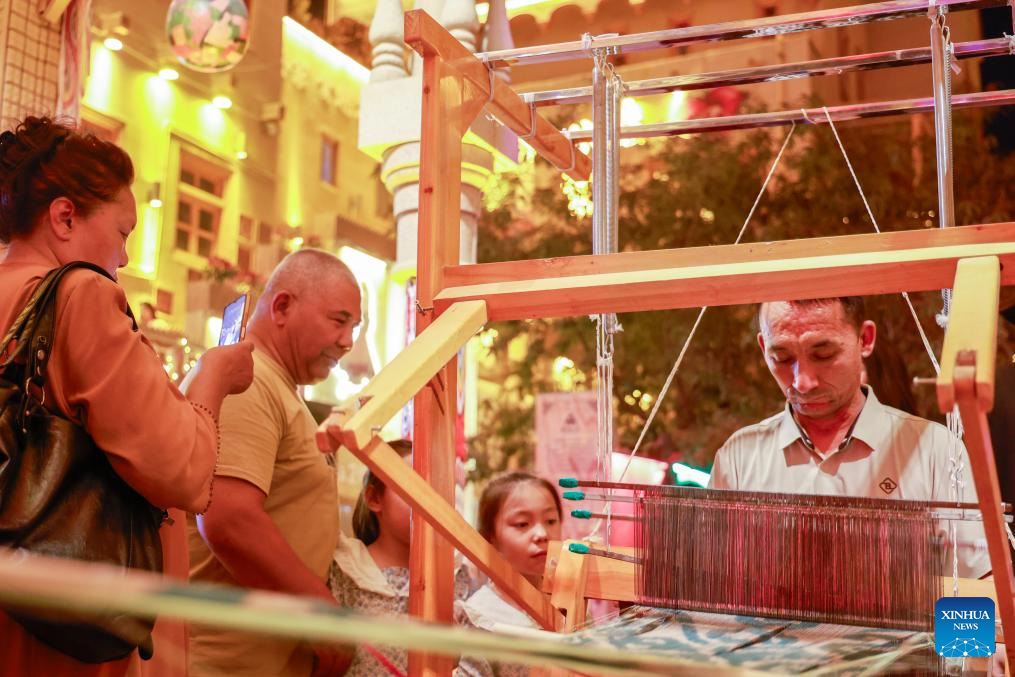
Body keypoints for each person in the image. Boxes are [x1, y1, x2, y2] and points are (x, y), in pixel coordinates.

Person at [0, 116, 254, 676]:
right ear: (65, 217)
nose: (126, 257)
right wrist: (212, 378)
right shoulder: (81, 295)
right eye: (122, 232)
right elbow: (179, 469)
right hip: (59, 639)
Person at [708, 296, 989, 579]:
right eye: (782, 358)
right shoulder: (739, 458)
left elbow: (978, 594)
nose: (802, 382)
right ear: (763, 347)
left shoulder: (933, 449)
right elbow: (711, 582)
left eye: (823, 354)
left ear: (865, 339)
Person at [188, 249, 361, 677]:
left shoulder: (274, 384)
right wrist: (318, 612)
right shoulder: (248, 380)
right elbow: (227, 517)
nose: (347, 341)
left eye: (353, 328)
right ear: (282, 306)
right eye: (338, 321)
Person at [330, 439, 487, 676]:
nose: (430, 501)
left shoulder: (456, 577)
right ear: (374, 498)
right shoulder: (348, 569)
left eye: (439, 490)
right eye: (413, 487)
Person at [462, 472, 563, 634]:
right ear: (490, 538)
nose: (542, 534)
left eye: (550, 521)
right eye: (522, 524)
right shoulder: (479, 617)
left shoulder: (570, 601)